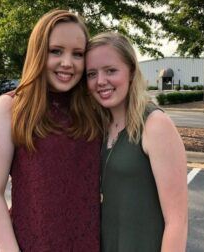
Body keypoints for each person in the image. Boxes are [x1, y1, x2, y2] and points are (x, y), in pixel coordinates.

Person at [0, 9, 102, 251]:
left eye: (77, 54)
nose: (67, 63)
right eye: (56, 51)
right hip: (32, 244)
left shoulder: (93, 109)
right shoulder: (11, 108)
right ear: (38, 52)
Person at [86, 32, 188, 252]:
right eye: (91, 74)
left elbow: (177, 222)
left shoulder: (155, 124)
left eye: (111, 70)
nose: (100, 81)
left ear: (131, 71)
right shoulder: (98, 126)